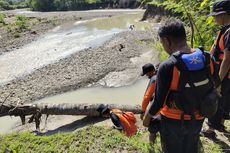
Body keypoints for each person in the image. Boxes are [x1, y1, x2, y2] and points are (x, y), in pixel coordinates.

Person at [143, 18, 217, 153]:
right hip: (198, 119)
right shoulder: (207, 58)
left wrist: (147, 119)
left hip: (173, 122)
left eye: (162, 42)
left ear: (167, 41)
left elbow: (158, 102)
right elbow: (215, 85)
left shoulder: (168, 66)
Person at [202, 0, 230, 137]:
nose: (214, 18)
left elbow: (227, 59)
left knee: (214, 98)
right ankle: (220, 124)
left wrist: (217, 81)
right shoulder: (226, 30)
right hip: (225, 74)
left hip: (224, 74)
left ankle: (210, 130)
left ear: (223, 14)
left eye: (215, 15)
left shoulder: (229, 32)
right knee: (224, 99)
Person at [140, 63, 160, 144]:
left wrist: (143, 111)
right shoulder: (161, 72)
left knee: (152, 129)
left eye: (146, 74)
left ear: (150, 72)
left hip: (157, 109)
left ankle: (151, 145)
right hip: (168, 108)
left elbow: (146, 97)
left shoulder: (153, 79)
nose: (146, 76)